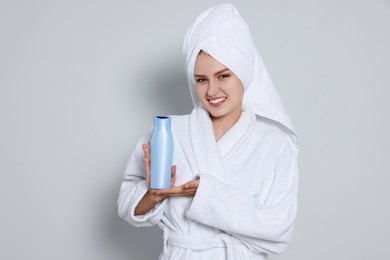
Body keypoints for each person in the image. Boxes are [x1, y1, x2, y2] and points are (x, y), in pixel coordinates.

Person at [118, 3, 299, 260]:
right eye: (201, 79)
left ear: (243, 73)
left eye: (223, 76)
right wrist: (153, 195)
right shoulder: (169, 132)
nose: (212, 91)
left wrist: (206, 194)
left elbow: (279, 230)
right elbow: (127, 200)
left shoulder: (275, 143)